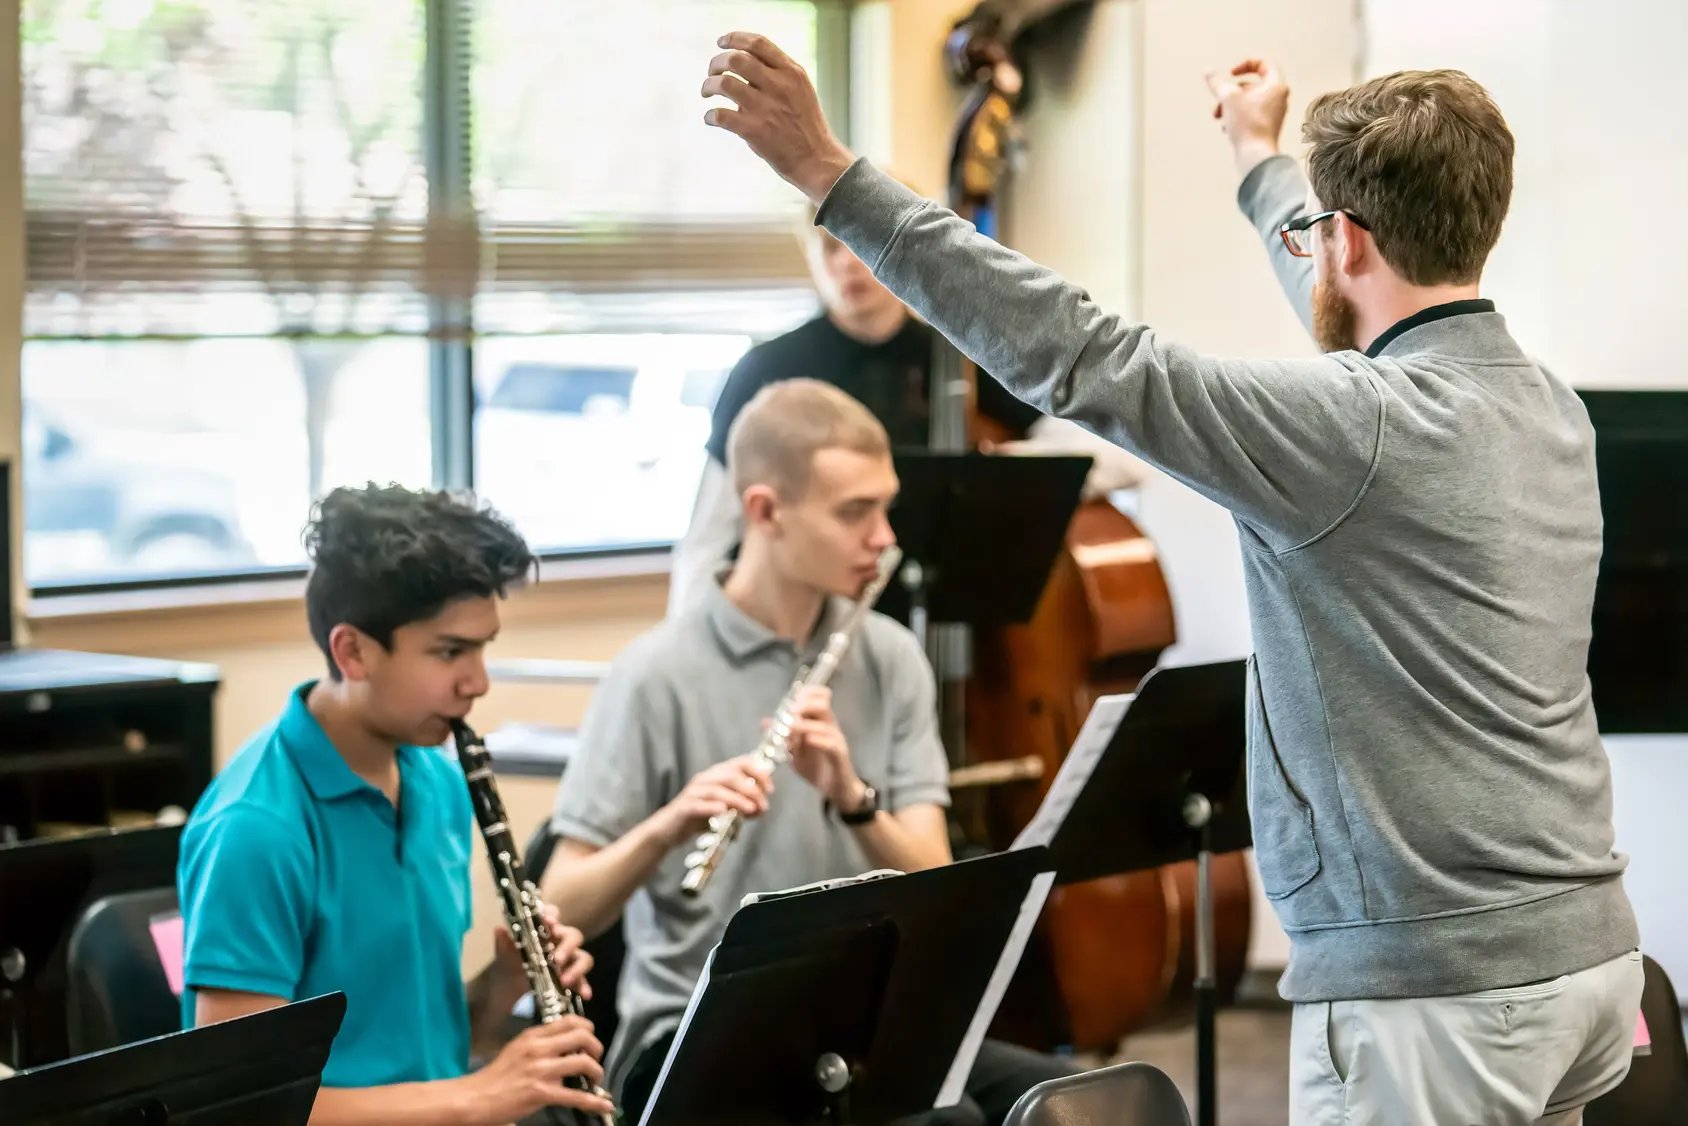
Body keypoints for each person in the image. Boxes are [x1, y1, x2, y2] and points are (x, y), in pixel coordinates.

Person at [701, 34, 1644, 1126]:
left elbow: (1082, 354)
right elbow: (1354, 303)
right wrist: (1260, 162)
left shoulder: (1349, 431)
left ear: (1344, 239)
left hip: (1439, 993)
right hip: (1584, 963)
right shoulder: (1543, 407)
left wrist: (829, 175)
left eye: (1317, 234)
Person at [541, 379, 1073, 1124]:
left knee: (1068, 1104)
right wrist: (670, 824)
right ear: (764, 511)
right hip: (700, 1037)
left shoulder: (890, 656)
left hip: (860, 1024)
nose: (886, 537)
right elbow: (558, 904)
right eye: (856, 512)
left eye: (886, 506)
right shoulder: (652, 675)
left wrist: (852, 797)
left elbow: (932, 878)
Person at [176, 484, 616, 1126]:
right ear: (352, 651)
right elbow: (243, 1109)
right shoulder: (256, 830)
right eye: (449, 652)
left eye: (483, 647)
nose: (478, 682)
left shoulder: (435, 782)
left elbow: (417, 1049)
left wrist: (502, 988)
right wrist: (479, 1096)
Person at [667, 189, 1149, 615]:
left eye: (861, 242)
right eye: (830, 246)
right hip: (806, 622)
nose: (846, 263)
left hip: (948, 627)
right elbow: (709, 534)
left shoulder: (963, 356)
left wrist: (999, 473)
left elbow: (1119, 458)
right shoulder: (766, 369)